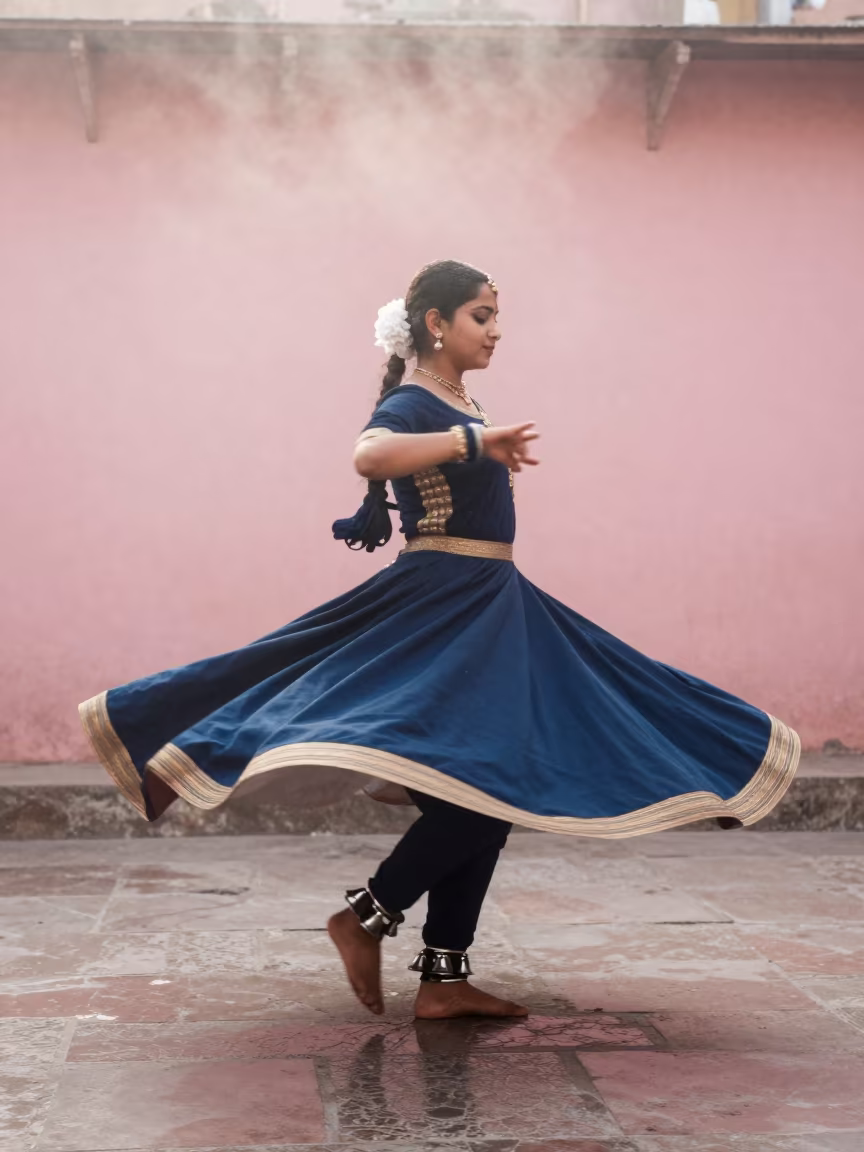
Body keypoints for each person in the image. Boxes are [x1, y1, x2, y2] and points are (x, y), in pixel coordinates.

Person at [79, 258, 800, 1021]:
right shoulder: (418, 402)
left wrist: (474, 434)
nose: (495, 331)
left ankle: (444, 979)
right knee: (480, 789)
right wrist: (471, 443)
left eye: (496, 318)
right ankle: (365, 918)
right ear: (436, 323)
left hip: (487, 606)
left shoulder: (455, 400)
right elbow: (369, 456)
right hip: (446, 609)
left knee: (488, 786)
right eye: (481, 316)